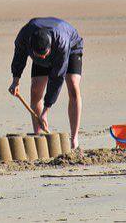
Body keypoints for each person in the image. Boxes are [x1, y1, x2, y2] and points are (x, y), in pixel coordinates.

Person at [8, 17, 83, 149]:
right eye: (39, 55)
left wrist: (46, 110)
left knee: (73, 87)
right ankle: (40, 137)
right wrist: (16, 80)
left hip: (72, 48)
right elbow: (19, 55)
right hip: (43, 47)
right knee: (36, 90)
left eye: (44, 54)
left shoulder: (62, 43)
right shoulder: (25, 36)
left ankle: (74, 138)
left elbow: (57, 77)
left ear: (49, 48)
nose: (43, 57)